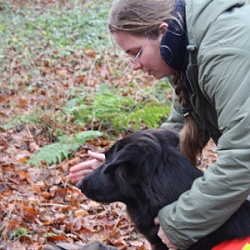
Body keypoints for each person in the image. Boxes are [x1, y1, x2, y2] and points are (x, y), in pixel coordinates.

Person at [70, 0, 250, 249]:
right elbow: (177, 133)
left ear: (163, 31)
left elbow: (243, 158)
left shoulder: (224, 51)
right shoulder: (188, 49)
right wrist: (117, 164)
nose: (134, 66)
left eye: (136, 52)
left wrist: (181, 223)